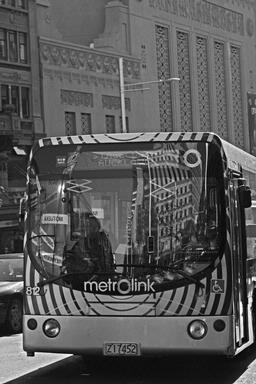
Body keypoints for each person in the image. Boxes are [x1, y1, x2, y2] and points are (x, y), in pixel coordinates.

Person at [63, 214, 114, 289]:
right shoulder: (79, 245)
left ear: (98, 228)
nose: (89, 229)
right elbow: (71, 263)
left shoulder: (105, 244)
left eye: (93, 227)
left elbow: (109, 264)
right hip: (84, 285)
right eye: (87, 227)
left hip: (104, 285)